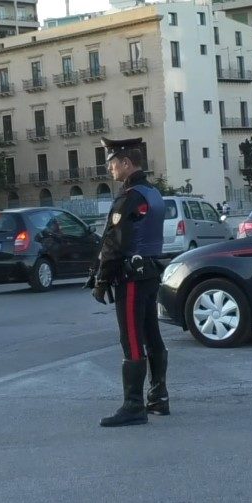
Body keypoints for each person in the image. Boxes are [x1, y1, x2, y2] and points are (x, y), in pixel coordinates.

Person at [85, 137, 168, 427]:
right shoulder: (153, 193)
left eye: (112, 163)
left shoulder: (129, 196)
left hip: (130, 276)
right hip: (150, 273)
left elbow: (115, 242)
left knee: (131, 338)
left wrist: (101, 279)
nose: (110, 169)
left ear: (125, 163)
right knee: (151, 335)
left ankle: (133, 406)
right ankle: (159, 397)